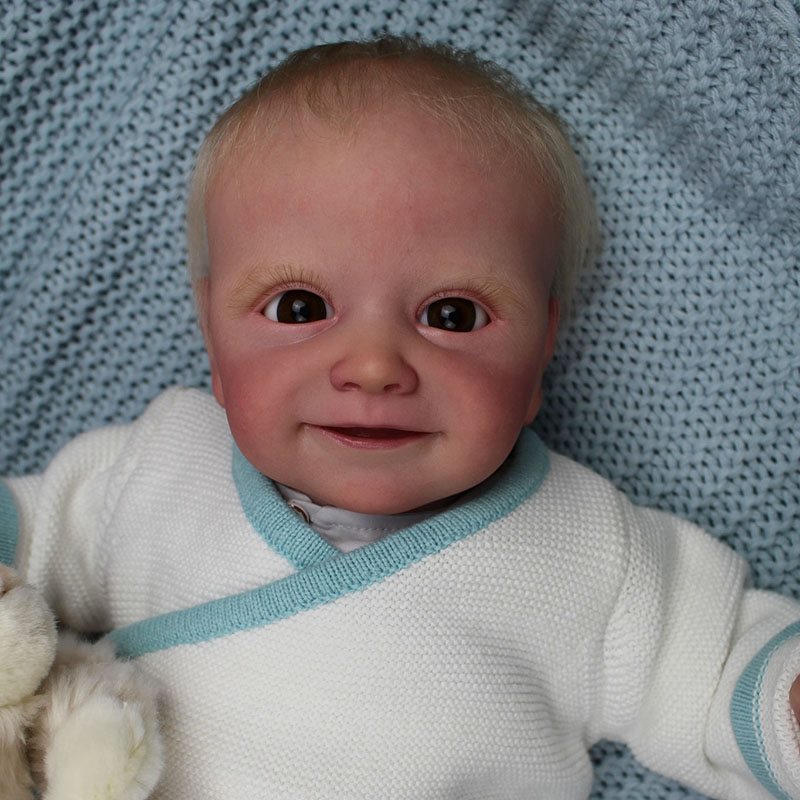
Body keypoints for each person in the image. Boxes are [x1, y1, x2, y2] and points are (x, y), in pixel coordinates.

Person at [1, 36, 798, 800]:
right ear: (212, 337)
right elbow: (31, 537)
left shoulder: (588, 549)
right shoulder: (159, 469)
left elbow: (715, 668)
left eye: (452, 315)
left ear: (541, 352)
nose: (375, 365)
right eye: (300, 307)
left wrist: (782, 699)